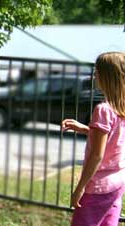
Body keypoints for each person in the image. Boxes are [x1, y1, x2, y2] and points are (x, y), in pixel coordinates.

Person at [62, 52, 125, 226]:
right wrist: (85, 129)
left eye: (97, 72)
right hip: (118, 183)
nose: (94, 76)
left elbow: (97, 155)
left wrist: (81, 187)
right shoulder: (121, 108)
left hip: (98, 187)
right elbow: (115, 138)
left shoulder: (103, 110)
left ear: (107, 77)